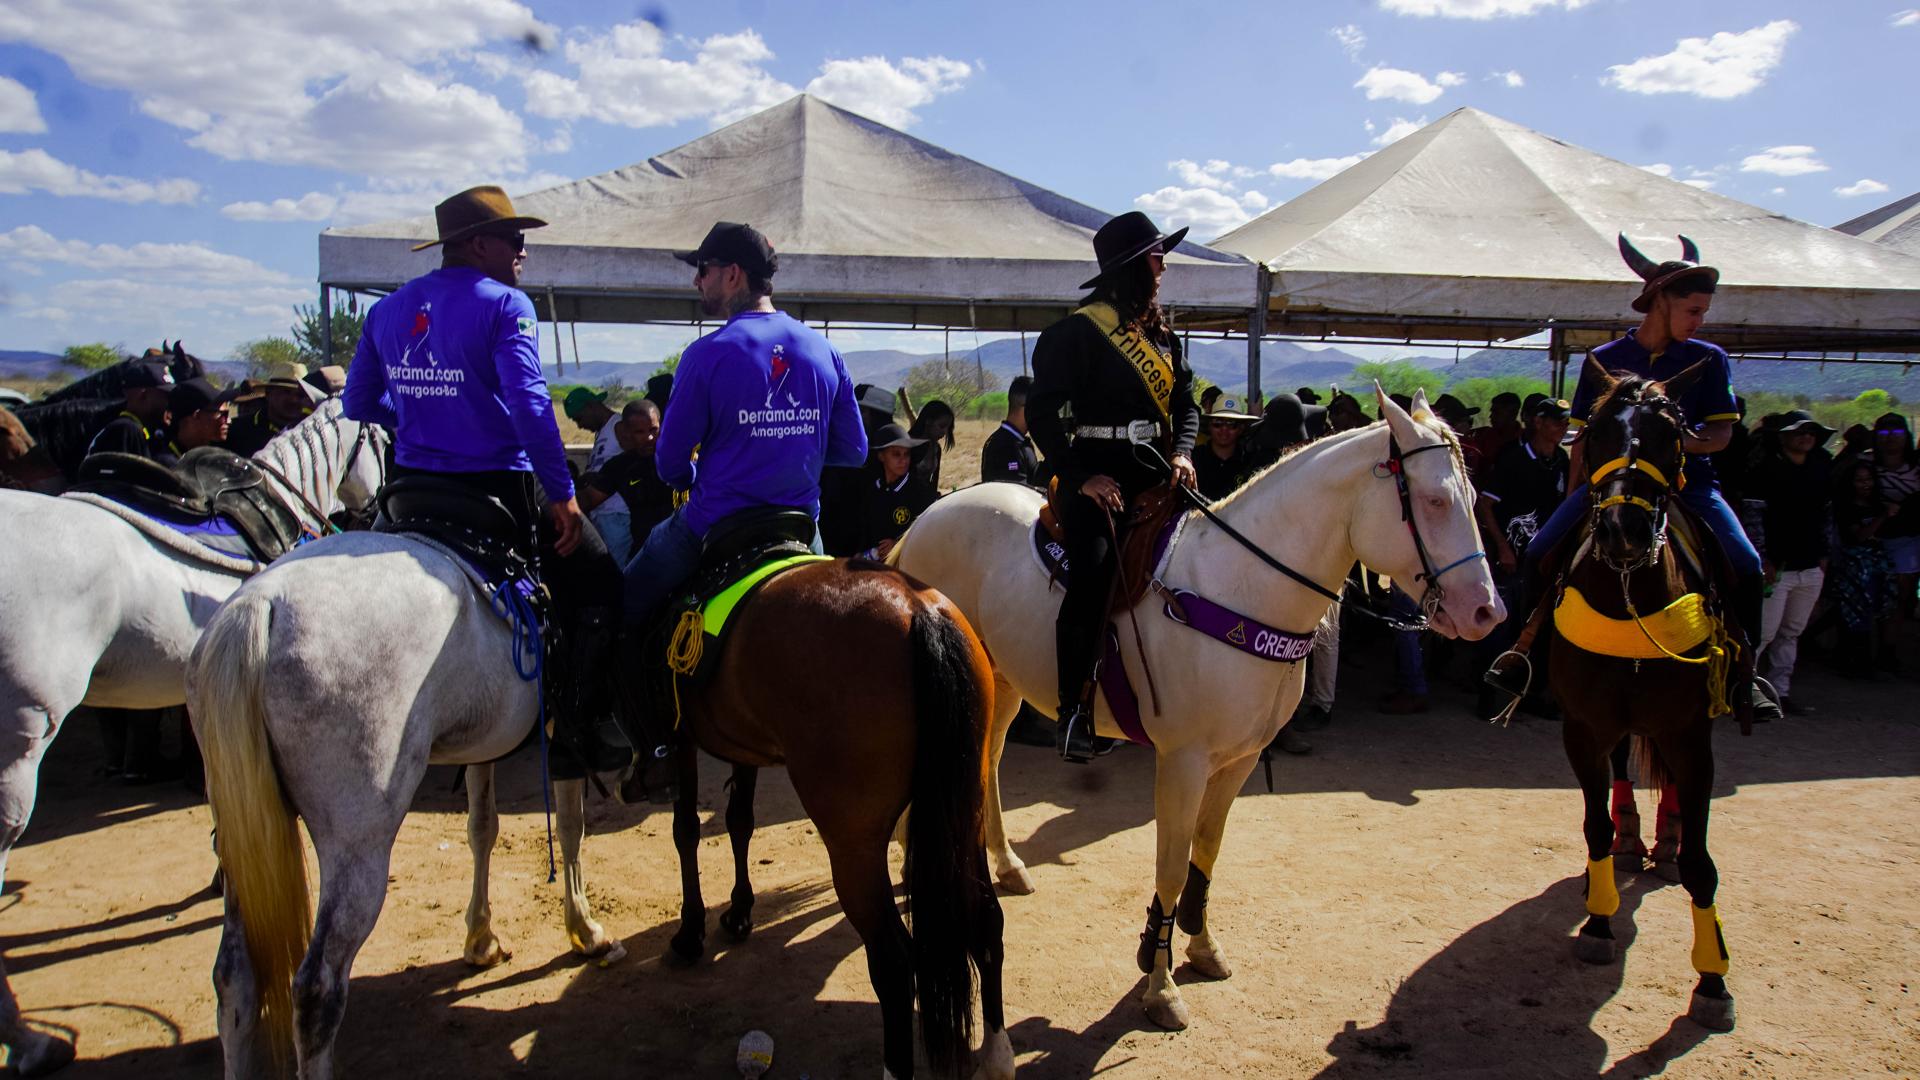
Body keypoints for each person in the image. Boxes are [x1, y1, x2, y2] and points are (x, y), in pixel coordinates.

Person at [341, 184, 629, 771]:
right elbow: (530, 406)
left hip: (411, 491)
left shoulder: (386, 310)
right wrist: (565, 495)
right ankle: (576, 727)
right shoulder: (506, 305)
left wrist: (421, 416)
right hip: (494, 488)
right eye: (514, 239)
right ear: (477, 244)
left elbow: (358, 402)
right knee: (600, 583)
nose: (523, 252)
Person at [1487, 235, 1781, 723]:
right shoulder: (1603, 358)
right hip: (1605, 487)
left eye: (1703, 312)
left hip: (1688, 486)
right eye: (1693, 310)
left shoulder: (1709, 358)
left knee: (1746, 565)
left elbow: (1722, 435)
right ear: (1660, 301)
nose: (1700, 321)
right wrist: (1577, 492)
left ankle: (1744, 673)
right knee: (1539, 553)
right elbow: (1583, 438)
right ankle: (1526, 658)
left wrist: (1666, 444)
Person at [621, 218, 866, 641]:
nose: (697, 281)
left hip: (714, 525)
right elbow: (855, 451)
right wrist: (792, 449)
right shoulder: (825, 350)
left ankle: (609, 681)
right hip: (800, 527)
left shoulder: (705, 355)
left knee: (627, 598)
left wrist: (692, 476)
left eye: (703, 269)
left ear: (733, 273)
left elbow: (670, 463)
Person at [1028, 211, 1200, 762]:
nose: (1163, 265)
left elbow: (1186, 404)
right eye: (1156, 256)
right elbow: (1042, 414)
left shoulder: (1164, 335)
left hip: (1159, 473)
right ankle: (1073, 712)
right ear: (1133, 266)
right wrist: (1080, 477)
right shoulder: (1077, 333)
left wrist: (1183, 452)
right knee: (1095, 576)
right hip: (1096, 477)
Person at [1473, 397, 1572, 717]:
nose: (1562, 427)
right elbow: (1485, 505)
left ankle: (1532, 694)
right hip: (1512, 558)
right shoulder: (1514, 459)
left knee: (1540, 627)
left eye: (1565, 422)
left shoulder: (1561, 461)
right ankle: (1487, 695)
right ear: (1538, 423)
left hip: (1545, 561)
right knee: (1502, 625)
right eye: (1556, 421)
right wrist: (1502, 547)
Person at [1750, 410, 1834, 714]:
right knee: (1763, 634)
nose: (1806, 437)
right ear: (1783, 436)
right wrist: (1762, 558)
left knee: (1791, 632)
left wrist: (1824, 556)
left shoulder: (1820, 468)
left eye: (1811, 432)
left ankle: (1779, 692)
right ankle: (1743, 690)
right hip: (1777, 567)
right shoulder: (1764, 471)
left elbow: (1827, 516)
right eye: (1799, 432)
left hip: (1810, 565)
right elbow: (1753, 518)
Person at [580, 399, 673, 565]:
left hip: (682, 548)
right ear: (626, 432)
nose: (649, 437)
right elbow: (588, 499)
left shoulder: (678, 457)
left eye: (654, 430)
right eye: (640, 432)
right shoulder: (620, 466)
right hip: (645, 555)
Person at [1830, 459, 1895, 677]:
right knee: (1855, 614)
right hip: (1853, 568)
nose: (1865, 484)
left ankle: (1864, 661)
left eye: (1869, 479)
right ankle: (1854, 662)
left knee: (1873, 612)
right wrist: (1883, 516)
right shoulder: (1846, 507)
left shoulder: (1877, 504)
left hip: (1878, 567)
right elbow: (1859, 536)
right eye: (1859, 480)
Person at [1867, 412, 1919, 669]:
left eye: (1897, 433)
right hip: (1869, 540)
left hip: (1908, 539)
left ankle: (1888, 650)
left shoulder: (1916, 466)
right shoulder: (1865, 465)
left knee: (1899, 597)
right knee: (1868, 597)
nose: (1890, 439)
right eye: (1884, 433)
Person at [856, 423, 938, 559]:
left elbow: (930, 530)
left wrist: (898, 544)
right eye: (896, 454)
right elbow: (864, 528)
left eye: (907, 454)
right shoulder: (872, 489)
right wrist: (860, 553)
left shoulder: (921, 493)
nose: (903, 460)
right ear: (881, 456)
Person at [226, 363, 318, 456]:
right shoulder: (234, 431)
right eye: (286, 392)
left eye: (301, 395)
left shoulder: (314, 433)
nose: (294, 400)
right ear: (269, 393)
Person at [86, 360, 173, 459]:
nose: (169, 403)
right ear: (143, 395)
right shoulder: (125, 430)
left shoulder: (133, 429)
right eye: (165, 396)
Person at [155, 377, 239, 464]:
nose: (229, 420)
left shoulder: (209, 459)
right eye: (222, 414)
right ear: (197, 415)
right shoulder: (167, 465)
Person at [1193, 395, 1260, 499]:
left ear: (1241, 428)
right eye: (1217, 423)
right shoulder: (1194, 458)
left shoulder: (1250, 461)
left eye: (1231, 424)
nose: (1224, 429)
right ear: (1209, 426)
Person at [981, 375, 1042, 487]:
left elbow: (1034, 476)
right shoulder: (1006, 446)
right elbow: (1018, 491)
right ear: (1028, 407)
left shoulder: (1017, 441)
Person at [1467, 391, 1523, 485]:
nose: (1491, 416)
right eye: (1492, 412)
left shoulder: (1526, 439)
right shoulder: (1482, 436)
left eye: (1497, 412)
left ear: (1513, 413)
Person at [564, 387, 621, 472]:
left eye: (579, 419)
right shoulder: (601, 431)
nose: (580, 426)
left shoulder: (619, 426)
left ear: (591, 406)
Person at [908, 399, 955, 489]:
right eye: (941, 426)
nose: (945, 432)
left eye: (947, 428)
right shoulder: (908, 445)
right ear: (928, 421)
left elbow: (934, 481)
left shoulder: (936, 448)